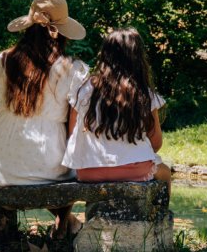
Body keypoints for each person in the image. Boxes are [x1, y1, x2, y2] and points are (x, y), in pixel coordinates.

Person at [0, 0, 88, 237]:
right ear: (60, 32)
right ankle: (63, 223)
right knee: (64, 165)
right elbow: (73, 128)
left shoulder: (4, 61)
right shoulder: (72, 68)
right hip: (45, 159)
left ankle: (64, 223)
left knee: (45, 162)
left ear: (28, 28)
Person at [62, 27, 172, 188]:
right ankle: (161, 213)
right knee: (165, 173)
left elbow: (72, 134)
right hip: (135, 170)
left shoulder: (85, 90)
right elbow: (156, 143)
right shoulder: (144, 94)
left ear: (104, 55)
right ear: (138, 58)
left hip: (88, 172)